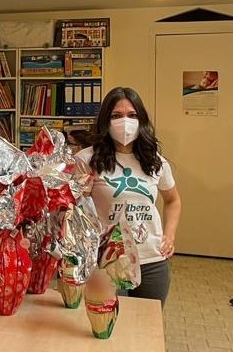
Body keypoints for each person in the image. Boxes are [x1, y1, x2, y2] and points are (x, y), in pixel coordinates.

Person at [76, 87, 182, 305]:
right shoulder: (86, 159)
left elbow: (173, 200)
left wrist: (169, 236)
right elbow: (75, 210)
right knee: (111, 320)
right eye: (116, 116)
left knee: (148, 321)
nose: (125, 122)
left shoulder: (155, 161)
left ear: (141, 120)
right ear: (105, 121)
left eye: (132, 115)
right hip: (108, 259)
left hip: (152, 259)